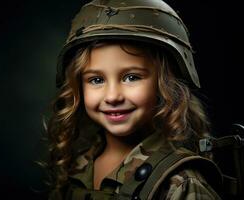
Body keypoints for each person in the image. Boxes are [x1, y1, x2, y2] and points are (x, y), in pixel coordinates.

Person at [46, 0, 222, 199]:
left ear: (165, 83)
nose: (112, 96)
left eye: (131, 77)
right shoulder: (76, 167)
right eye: (96, 80)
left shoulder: (180, 183)